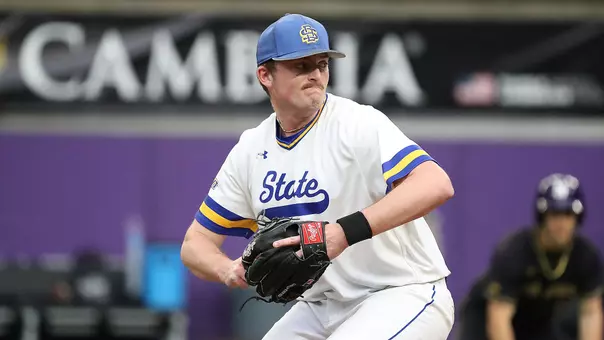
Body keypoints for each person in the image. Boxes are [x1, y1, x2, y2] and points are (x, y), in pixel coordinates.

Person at [180, 13, 455, 340]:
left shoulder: (356, 123)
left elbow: (436, 183)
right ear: (265, 74)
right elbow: (194, 244)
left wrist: (343, 232)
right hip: (322, 305)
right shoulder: (251, 150)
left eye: (321, 64)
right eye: (301, 65)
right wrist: (228, 269)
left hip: (401, 291)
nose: (315, 74)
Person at [457, 173, 603, 340]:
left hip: (536, 319)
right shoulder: (515, 252)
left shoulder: (585, 256)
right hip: (485, 317)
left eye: (568, 214)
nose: (561, 223)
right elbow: (499, 318)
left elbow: (590, 313)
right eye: (555, 214)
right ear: (542, 216)